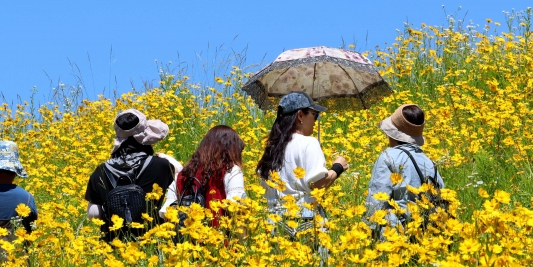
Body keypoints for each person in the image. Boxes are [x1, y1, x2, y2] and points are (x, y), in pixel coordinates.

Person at [255, 91, 349, 236]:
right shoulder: (309, 143)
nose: (316, 120)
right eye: (314, 114)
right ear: (300, 115)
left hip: (275, 224)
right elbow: (318, 185)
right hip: (303, 220)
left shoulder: (272, 148)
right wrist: (337, 168)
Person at [85, 109, 181, 241]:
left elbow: (94, 214)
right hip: (151, 239)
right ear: (146, 137)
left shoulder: (100, 171)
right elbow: (180, 179)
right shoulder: (162, 166)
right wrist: (168, 160)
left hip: (113, 243)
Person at [365, 104, 447, 239]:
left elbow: (377, 200)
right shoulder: (428, 161)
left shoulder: (388, 157)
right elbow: (441, 195)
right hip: (426, 235)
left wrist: (366, 232)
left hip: (395, 236)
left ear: (392, 133)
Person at [159, 125, 246, 226]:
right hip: (217, 234)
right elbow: (235, 208)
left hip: (186, 234)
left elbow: (167, 211)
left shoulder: (182, 174)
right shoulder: (231, 170)